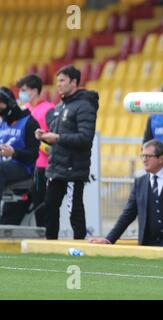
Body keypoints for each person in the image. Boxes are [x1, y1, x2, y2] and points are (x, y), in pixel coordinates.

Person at [89, 140, 163, 248]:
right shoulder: (140, 182)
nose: (144, 160)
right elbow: (128, 214)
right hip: (150, 244)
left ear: (161, 158)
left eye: (148, 156)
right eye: (142, 156)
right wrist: (109, 239)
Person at [35, 65, 98, 239]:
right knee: (50, 207)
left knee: (74, 209)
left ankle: (80, 244)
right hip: (56, 167)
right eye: (57, 81)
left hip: (73, 169)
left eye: (62, 81)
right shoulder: (60, 106)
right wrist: (44, 136)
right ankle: (51, 244)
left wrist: (57, 138)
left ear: (74, 82)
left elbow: (85, 138)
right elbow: (57, 136)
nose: (58, 85)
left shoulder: (84, 106)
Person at [15, 74, 55, 227]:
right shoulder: (22, 110)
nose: (21, 94)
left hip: (42, 168)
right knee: (14, 209)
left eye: (24, 90)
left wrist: (39, 145)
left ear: (34, 91)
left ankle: (43, 240)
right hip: (24, 167)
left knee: (41, 208)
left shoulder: (48, 110)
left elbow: (54, 141)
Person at [0, 87, 40, 224]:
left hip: (23, 168)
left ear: (9, 103)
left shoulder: (29, 122)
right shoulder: (3, 123)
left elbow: (34, 154)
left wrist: (14, 153)